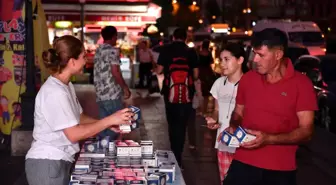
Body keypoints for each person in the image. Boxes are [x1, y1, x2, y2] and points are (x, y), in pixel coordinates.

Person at [25, 35, 134, 185]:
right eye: (83, 56)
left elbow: (79, 117)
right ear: (72, 61)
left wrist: (107, 123)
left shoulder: (65, 85)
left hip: (58, 161)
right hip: (47, 163)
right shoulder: (55, 92)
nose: (86, 60)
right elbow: (74, 134)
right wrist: (110, 119)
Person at [221, 28, 317, 185]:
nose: (254, 59)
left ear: (278, 55)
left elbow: (307, 131)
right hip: (243, 162)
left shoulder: (302, 84)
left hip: (280, 169)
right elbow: (238, 112)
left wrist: (269, 139)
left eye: (261, 55)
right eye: (254, 53)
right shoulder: (248, 79)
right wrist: (234, 125)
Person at [156, 28, 200, 167]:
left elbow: (159, 70)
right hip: (187, 94)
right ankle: (178, 154)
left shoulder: (166, 50)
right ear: (185, 38)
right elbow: (196, 75)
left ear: (173, 37)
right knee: (182, 125)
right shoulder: (191, 52)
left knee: (172, 124)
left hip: (170, 92)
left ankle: (174, 154)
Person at [206, 42, 249, 183]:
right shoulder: (219, 83)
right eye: (221, 59)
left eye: (227, 59)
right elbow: (217, 110)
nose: (222, 64)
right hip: (223, 142)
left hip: (244, 144)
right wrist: (213, 119)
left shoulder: (251, 85)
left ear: (240, 60)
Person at [94, 26, 131, 139]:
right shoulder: (113, 51)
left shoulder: (98, 50)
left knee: (104, 126)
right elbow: (115, 71)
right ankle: (113, 153)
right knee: (116, 126)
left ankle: (103, 152)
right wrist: (125, 87)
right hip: (112, 94)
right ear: (114, 36)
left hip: (100, 94)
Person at [198, 40, 215, 115]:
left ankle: (203, 110)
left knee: (202, 92)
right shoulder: (209, 53)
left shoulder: (199, 53)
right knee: (209, 92)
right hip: (208, 72)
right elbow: (212, 61)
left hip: (201, 72)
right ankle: (212, 109)